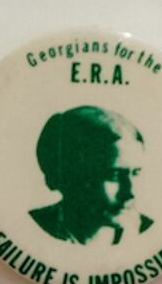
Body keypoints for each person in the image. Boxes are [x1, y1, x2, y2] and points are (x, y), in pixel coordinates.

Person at [26, 105, 148, 249]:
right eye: (113, 175)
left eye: (136, 173)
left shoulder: (151, 235)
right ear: (68, 176)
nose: (130, 193)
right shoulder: (28, 230)